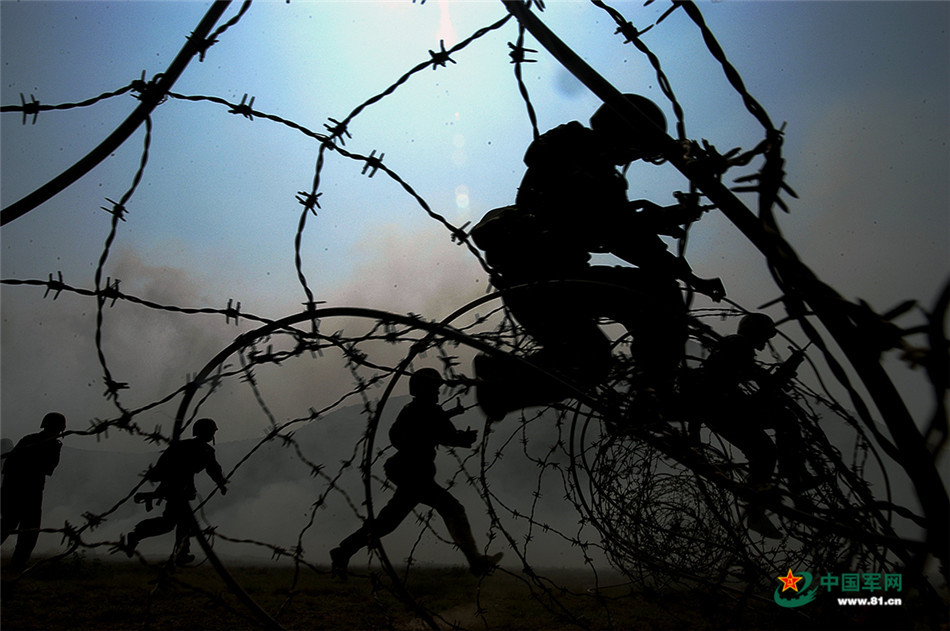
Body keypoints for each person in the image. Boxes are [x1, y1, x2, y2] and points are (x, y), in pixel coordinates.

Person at [471, 94, 724, 422]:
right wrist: (654, 224)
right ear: (624, 131)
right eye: (635, 147)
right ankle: (653, 394)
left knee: (591, 363)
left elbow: (620, 231)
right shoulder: (574, 154)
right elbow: (608, 226)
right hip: (546, 281)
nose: (632, 156)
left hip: (549, 281)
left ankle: (502, 380)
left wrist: (685, 271)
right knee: (656, 298)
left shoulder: (590, 165)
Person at [330, 369, 502, 579]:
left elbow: (400, 435)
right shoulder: (429, 411)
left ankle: (343, 551)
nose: (438, 392)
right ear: (425, 388)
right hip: (417, 476)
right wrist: (464, 438)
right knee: (453, 510)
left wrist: (436, 432)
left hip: (406, 472)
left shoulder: (410, 410)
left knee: (387, 522)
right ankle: (475, 562)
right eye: (435, 388)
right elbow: (448, 436)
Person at [690, 313, 812, 537]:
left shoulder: (733, 346)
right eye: (765, 335)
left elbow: (758, 380)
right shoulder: (739, 346)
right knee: (766, 449)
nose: (765, 341)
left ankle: (790, 479)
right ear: (756, 332)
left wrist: (779, 375)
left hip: (724, 406)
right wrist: (785, 371)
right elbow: (763, 383)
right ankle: (776, 492)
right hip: (724, 409)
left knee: (779, 426)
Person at [121, 418, 227, 564]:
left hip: (175, 489)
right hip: (177, 490)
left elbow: (212, 469)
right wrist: (220, 483)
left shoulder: (187, 447)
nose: (213, 434)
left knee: (172, 523)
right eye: (211, 431)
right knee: (177, 523)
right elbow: (213, 469)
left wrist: (220, 483)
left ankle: (144, 537)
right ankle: (179, 552)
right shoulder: (202, 450)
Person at [1, 412, 67, 571]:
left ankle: (18, 564)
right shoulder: (33, 442)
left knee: (26, 530)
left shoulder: (35, 441)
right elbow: (45, 467)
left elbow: (48, 468)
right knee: (15, 527)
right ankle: (18, 564)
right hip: (22, 491)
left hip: (26, 492)